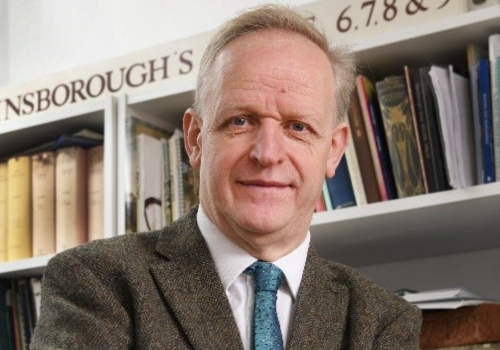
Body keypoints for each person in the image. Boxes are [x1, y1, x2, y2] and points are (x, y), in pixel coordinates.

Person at [31, 4, 421, 350]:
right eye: (241, 121)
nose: (267, 154)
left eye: (298, 127)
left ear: (333, 150)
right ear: (196, 138)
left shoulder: (382, 321)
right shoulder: (98, 281)